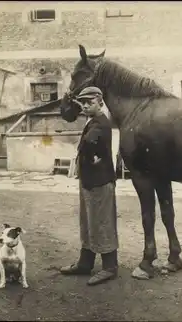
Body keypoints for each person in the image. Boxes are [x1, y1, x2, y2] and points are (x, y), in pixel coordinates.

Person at [60, 86, 119, 286]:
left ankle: (110, 267)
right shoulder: (92, 121)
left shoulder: (101, 123)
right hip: (89, 180)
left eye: (90, 102)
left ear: (100, 102)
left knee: (102, 223)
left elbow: (88, 143)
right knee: (88, 222)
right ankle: (86, 263)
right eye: (82, 102)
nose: (85, 106)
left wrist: (90, 155)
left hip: (100, 182)